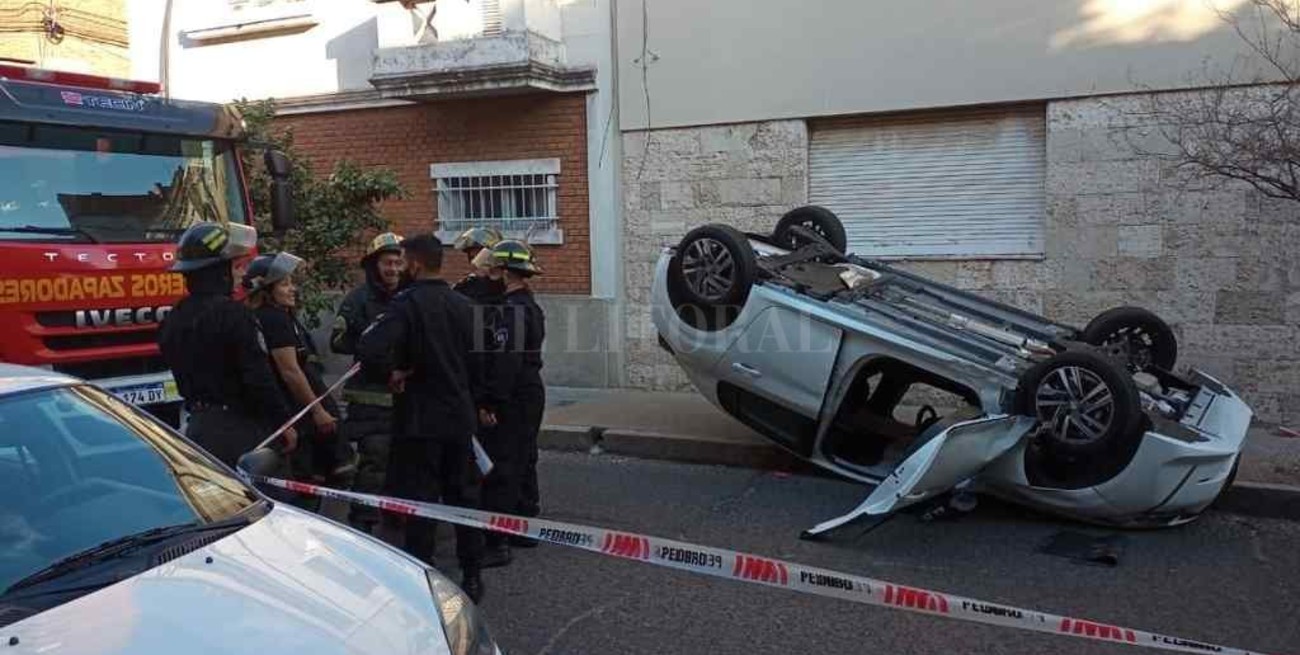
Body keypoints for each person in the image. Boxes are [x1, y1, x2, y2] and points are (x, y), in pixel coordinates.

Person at [357, 233, 489, 603]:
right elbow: (481, 364)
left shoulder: (406, 305)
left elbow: (369, 347)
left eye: (403, 261)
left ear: (414, 264)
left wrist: (394, 372)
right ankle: (473, 574)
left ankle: (424, 575)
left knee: (422, 499)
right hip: (460, 418)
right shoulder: (466, 305)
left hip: (420, 419)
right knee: (465, 497)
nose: (401, 268)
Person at [157, 223, 298, 468]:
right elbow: (258, 377)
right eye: (236, 267)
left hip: (197, 430)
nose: (242, 275)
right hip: (241, 432)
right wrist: (283, 422)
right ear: (219, 272)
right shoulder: (235, 315)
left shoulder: (174, 316)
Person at [241, 252, 353, 508]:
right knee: (307, 482)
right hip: (297, 414)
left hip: (289, 412)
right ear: (266, 289)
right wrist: (318, 411)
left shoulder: (278, 316)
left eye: (292, 282)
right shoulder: (275, 319)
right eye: (285, 283)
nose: (293, 289)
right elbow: (290, 371)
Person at [475, 239, 547, 568]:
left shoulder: (510, 311)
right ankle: (524, 525)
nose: (487, 274)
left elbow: (506, 361)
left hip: (513, 395)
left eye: (492, 269)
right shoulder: (529, 305)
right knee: (524, 457)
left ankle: (497, 541)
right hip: (529, 391)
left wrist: (490, 401)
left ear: (504, 273)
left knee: (502, 463)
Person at [331, 232, 405, 533]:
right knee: (374, 460)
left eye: (399, 263)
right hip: (370, 398)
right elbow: (338, 341)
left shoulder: (409, 296)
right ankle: (363, 523)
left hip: (405, 396)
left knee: (404, 460)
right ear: (374, 265)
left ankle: (397, 513)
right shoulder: (358, 300)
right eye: (388, 263)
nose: (394, 270)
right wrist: (372, 343)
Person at [451, 226, 505, 300]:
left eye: (478, 256)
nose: (474, 262)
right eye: (471, 257)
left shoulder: (507, 285)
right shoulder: (466, 286)